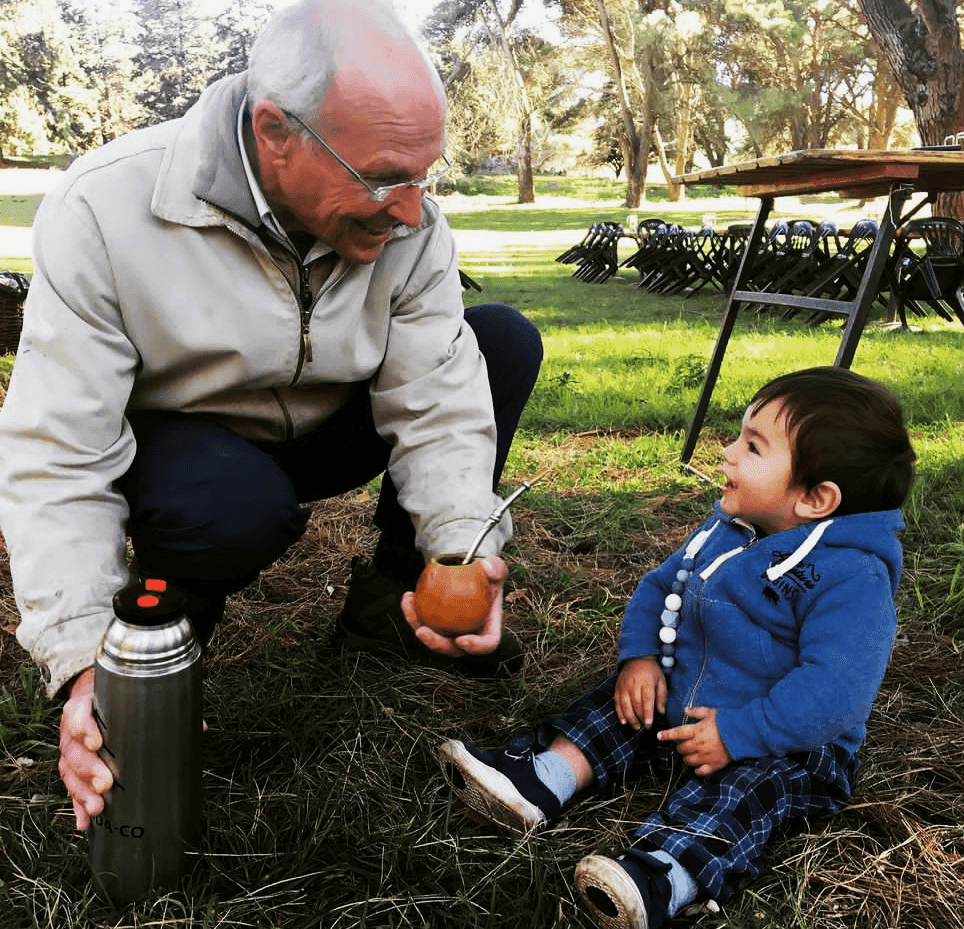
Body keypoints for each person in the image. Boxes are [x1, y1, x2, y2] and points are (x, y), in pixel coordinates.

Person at [0, 0, 542, 833]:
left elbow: (436, 387)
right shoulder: (104, 208)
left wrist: (460, 546)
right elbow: (59, 451)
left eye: (423, 174)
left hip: (327, 427)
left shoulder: (411, 222)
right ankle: (149, 655)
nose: (410, 210)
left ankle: (392, 605)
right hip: (190, 451)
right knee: (226, 504)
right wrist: (81, 658)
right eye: (384, 176)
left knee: (497, 341)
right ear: (276, 131)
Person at [440, 367, 916, 929]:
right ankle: (544, 778)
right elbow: (663, 585)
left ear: (816, 498)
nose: (728, 453)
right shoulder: (731, 528)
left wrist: (741, 734)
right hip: (684, 700)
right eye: (738, 436)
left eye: (753, 447)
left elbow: (834, 694)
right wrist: (640, 657)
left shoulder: (850, 577)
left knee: (749, 794)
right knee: (619, 704)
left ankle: (664, 874)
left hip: (784, 740)